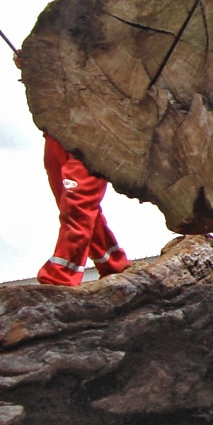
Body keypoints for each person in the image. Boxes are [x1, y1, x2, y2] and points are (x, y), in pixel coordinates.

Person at [14, 52, 129, 286]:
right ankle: (114, 262)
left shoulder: (113, 36)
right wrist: (32, 66)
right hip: (58, 130)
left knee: (77, 204)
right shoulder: (61, 28)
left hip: (95, 131)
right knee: (75, 205)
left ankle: (61, 276)